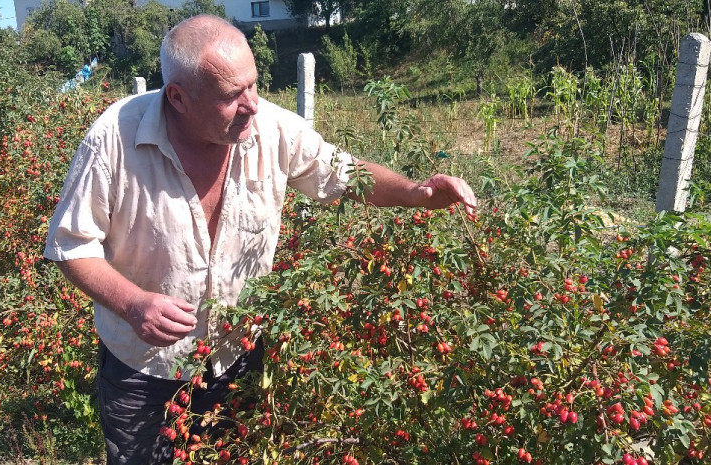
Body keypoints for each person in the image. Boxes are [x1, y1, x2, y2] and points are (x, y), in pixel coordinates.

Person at [44, 13, 477, 465]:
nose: (252, 104)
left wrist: (417, 193)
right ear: (178, 98)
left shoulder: (271, 128)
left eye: (253, 84)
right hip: (145, 369)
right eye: (232, 96)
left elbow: (342, 174)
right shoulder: (113, 140)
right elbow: (72, 245)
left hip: (239, 358)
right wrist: (134, 304)